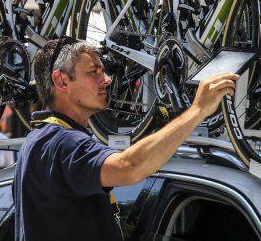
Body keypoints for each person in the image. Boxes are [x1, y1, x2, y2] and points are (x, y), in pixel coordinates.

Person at [14, 38, 238, 241]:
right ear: (61, 81)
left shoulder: (38, 141)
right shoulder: (63, 143)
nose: (108, 80)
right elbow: (129, 167)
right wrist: (197, 111)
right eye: (94, 72)